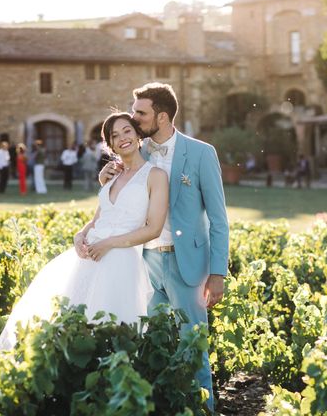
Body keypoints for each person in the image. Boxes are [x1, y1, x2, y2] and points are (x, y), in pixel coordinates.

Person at [0, 112, 169, 358]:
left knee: (114, 331)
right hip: (88, 259)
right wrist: (79, 234)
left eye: (127, 131)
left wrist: (109, 243)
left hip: (121, 262)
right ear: (110, 144)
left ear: (139, 135)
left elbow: (153, 229)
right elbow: (98, 219)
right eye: (114, 136)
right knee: (75, 328)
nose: (122, 138)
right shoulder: (111, 177)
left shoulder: (155, 176)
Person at [99, 82, 229, 411]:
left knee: (192, 348)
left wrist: (218, 273)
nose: (134, 117)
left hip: (187, 267)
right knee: (151, 347)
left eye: (140, 113)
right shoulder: (135, 156)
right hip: (145, 264)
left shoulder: (201, 153)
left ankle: (204, 410)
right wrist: (107, 178)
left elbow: (219, 218)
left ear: (162, 116)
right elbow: (120, 202)